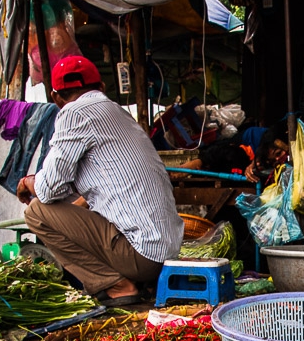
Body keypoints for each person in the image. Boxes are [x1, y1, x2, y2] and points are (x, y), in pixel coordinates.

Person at [17, 55, 183, 306]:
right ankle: (124, 280)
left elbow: (48, 189)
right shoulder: (118, 113)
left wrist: (29, 181)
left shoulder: (73, 113)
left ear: (56, 98)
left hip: (143, 256)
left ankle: (115, 284)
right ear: (102, 87)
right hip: (167, 251)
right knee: (68, 206)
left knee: (36, 212)